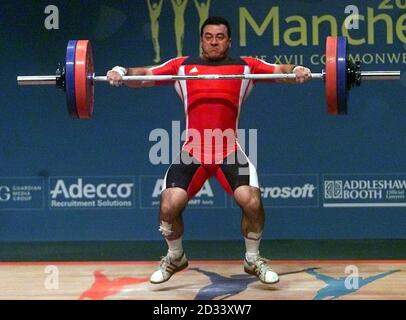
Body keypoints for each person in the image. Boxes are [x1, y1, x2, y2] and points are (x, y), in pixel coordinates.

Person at [106, 16, 311, 285]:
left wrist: (297, 70)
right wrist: (120, 72)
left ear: (229, 41)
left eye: (220, 37)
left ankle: (252, 258)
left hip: (228, 149)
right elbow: (144, 75)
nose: (214, 42)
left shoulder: (245, 66)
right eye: (208, 36)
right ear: (201, 39)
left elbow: (279, 71)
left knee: (252, 202)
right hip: (193, 151)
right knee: (169, 205)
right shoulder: (182, 66)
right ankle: (175, 256)